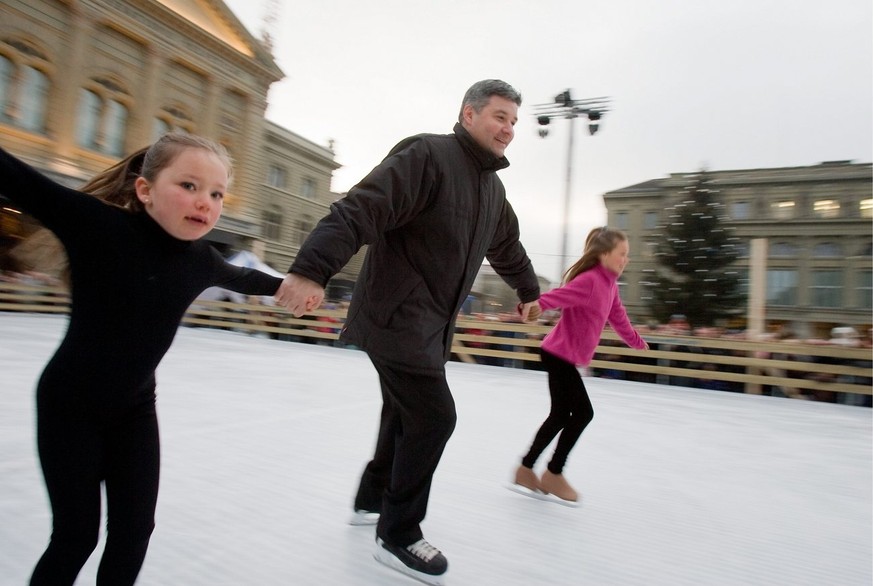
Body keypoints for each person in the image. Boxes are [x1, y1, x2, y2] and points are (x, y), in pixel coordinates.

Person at [275, 79, 541, 585]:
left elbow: (508, 246)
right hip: (398, 315)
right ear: (468, 114)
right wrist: (313, 268)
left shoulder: (492, 189)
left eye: (513, 121)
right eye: (499, 116)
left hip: (428, 324)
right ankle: (399, 533)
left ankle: (370, 500)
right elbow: (363, 208)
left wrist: (528, 291)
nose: (507, 129)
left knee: (403, 412)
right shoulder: (429, 156)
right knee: (434, 417)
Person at [0, 133, 284, 586]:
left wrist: (299, 286)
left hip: (134, 410)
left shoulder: (201, 260)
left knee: (134, 533)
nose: (205, 202)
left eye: (216, 193)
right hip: (70, 408)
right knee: (75, 538)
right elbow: (20, 179)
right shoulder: (98, 226)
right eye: (189, 186)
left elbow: (249, 277)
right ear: (145, 190)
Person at [512, 227, 648, 505]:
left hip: (562, 356)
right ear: (604, 254)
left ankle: (526, 469)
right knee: (583, 413)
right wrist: (533, 305)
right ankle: (553, 473)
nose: (626, 260)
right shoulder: (590, 281)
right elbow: (558, 296)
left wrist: (635, 341)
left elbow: (618, 318)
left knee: (561, 415)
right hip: (557, 354)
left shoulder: (609, 285)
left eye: (627, 255)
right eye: (622, 254)